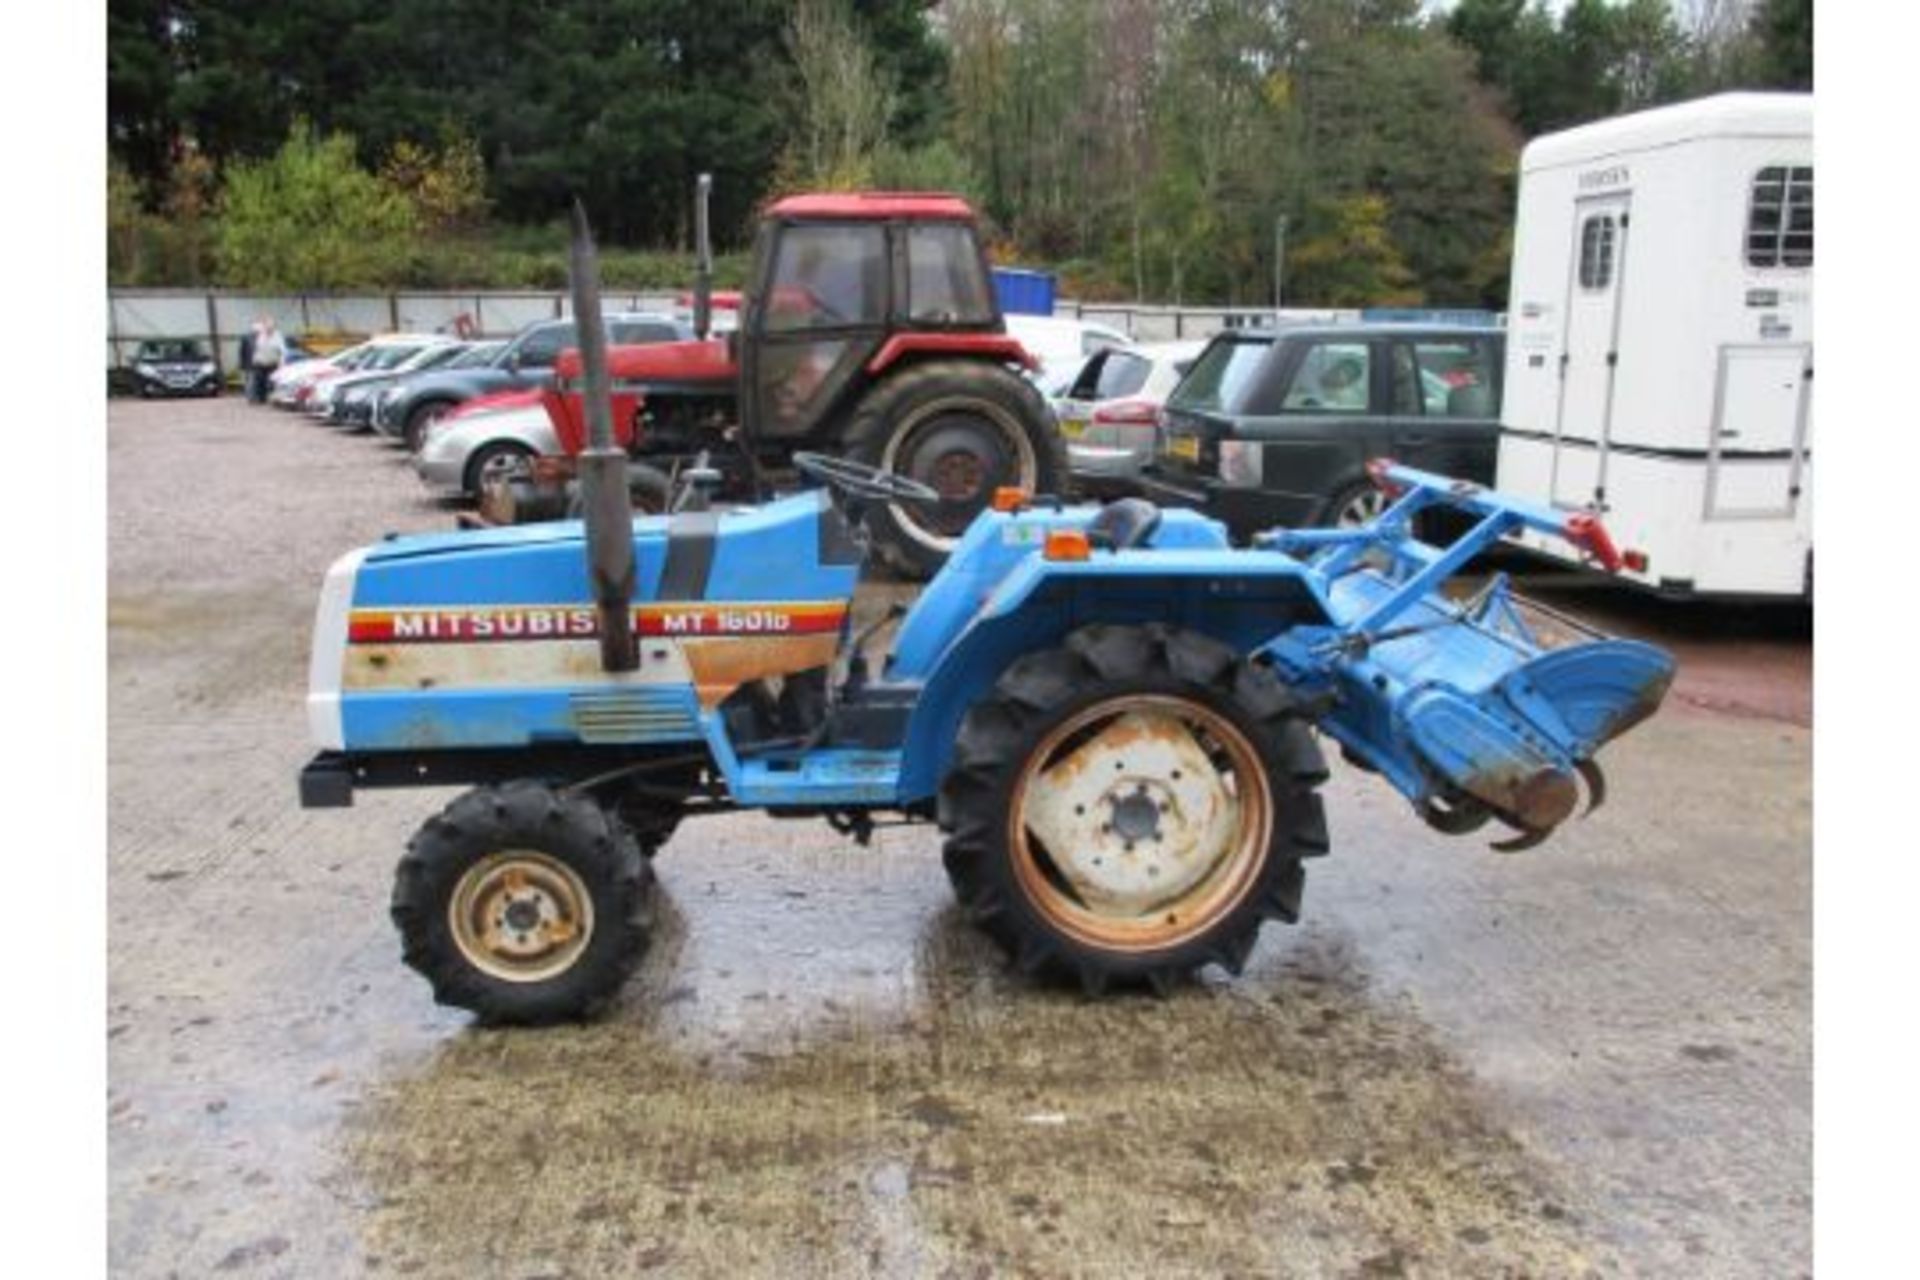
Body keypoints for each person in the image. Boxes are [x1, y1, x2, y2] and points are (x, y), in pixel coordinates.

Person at [251, 318, 285, 403]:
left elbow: (282, 350)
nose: (269, 328)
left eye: (271, 326)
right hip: (260, 362)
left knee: (272, 381)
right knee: (260, 381)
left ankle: (273, 397)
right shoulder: (260, 335)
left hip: (272, 362)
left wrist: (282, 362)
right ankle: (261, 398)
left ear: (274, 327)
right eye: (267, 326)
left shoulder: (278, 336)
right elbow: (256, 348)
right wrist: (254, 359)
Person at [237, 323, 258, 403]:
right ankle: (250, 397)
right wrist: (241, 363)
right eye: (256, 330)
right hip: (249, 363)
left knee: (254, 381)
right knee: (250, 381)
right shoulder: (246, 338)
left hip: (258, 363)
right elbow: (242, 352)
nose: (257, 332)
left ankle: (254, 396)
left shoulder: (260, 338)